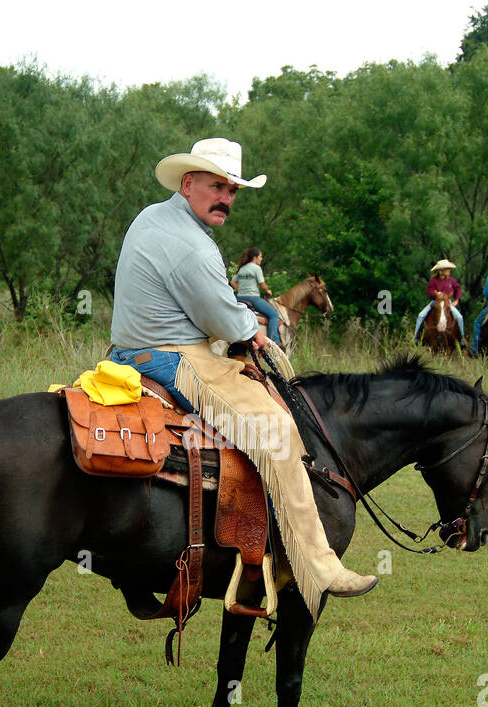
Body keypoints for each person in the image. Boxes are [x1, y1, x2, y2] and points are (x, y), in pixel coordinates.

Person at [107, 137, 377, 618]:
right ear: (188, 184)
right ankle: (319, 563)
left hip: (131, 352)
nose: (226, 199)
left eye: (232, 190)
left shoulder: (152, 217)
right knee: (278, 430)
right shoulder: (191, 245)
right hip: (176, 361)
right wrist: (249, 330)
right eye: (217, 187)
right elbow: (223, 319)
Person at [231, 247, 280, 344]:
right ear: (255, 257)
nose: (261, 259)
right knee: (274, 315)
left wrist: (240, 289)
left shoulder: (242, 268)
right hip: (253, 298)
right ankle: (274, 341)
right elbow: (262, 283)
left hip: (240, 298)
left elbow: (232, 282)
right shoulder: (256, 268)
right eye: (260, 256)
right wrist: (268, 290)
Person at [413, 259, 463, 343]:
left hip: (447, 302)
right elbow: (430, 291)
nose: (449, 270)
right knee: (421, 315)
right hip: (435, 302)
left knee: (459, 317)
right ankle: (416, 337)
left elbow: (458, 289)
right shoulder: (433, 281)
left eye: (449, 268)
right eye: (447, 269)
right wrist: (436, 294)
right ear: (440, 271)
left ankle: (461, 338)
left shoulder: (451, 280)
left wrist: (457, 300)